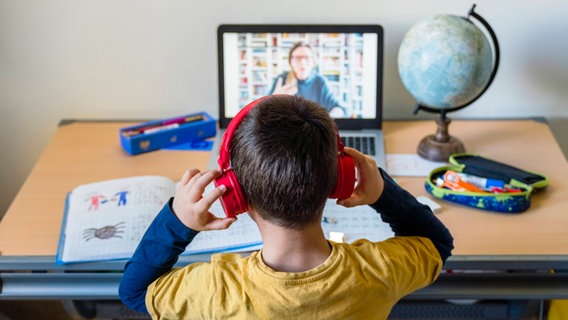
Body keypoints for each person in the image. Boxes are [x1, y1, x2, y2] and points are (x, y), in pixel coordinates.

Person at [119, 95, 453, 319]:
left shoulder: (215, 292)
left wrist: (179, 221)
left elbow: (135, 293)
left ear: (235, 196)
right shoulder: (379, 270)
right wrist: (383, 192)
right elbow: (437, 244)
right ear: (339, 180)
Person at [268, 41, 346, 117]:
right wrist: (273, 100)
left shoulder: (320, 82)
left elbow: (338, 109)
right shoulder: (281, 80)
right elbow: (261, 111)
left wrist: (326, 122)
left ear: (313, 61)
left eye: (307, 57)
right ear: (290, 61)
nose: (302, 62)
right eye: (297, 58)